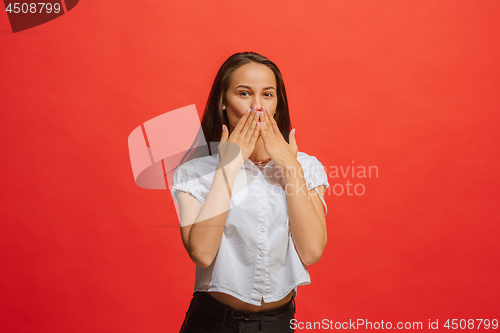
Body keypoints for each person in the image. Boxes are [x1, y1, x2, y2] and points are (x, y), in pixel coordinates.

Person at [171, 52, 329, 333]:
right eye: (244, 93)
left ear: (278, 104)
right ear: (223, 102)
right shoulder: (194, 172)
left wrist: (290, 166)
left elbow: (311, 250)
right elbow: (202, 254)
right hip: (212, 323)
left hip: (279, 324)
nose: (258, 107)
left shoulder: (305, 166)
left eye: (267, 94)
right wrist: (228, 167)